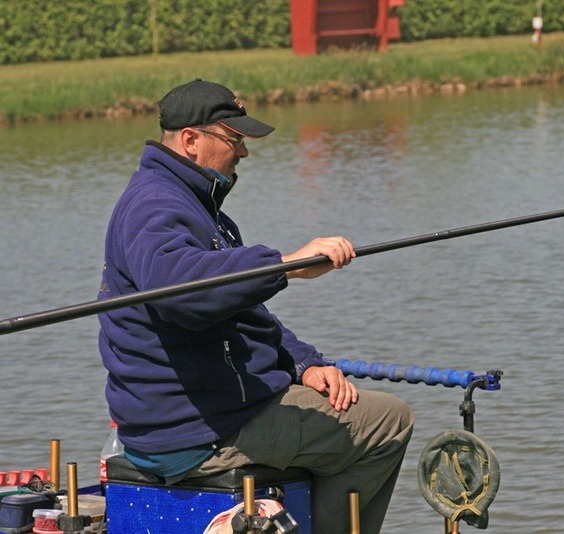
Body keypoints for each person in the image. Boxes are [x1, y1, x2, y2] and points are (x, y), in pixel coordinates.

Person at [97, 79, 414, 534]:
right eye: (235, 140)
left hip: (201, 415)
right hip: (199, 431)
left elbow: (242, 310)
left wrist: (302, 362)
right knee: (388, 421)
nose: (243, 153)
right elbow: (184, 294)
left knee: (339, 403)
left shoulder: (194, 206)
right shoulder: (155, 206)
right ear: (191, 141)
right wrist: (285, 265)